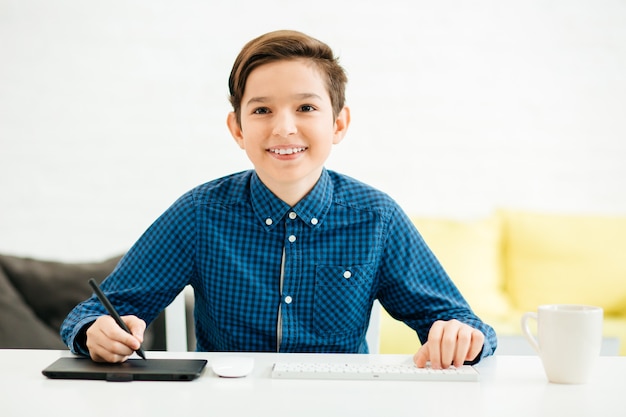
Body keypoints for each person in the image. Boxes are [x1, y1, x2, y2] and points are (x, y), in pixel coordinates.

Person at [61, 29, 497, 368]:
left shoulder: (376, 217)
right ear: (237, 129)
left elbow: (467, 325)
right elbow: (93, 315)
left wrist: (460, 337)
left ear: (339, 124)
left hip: (339, 403)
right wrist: (95, 333)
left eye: (306, 108)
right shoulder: (199, 214)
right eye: (262, 110)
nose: (284, 128)